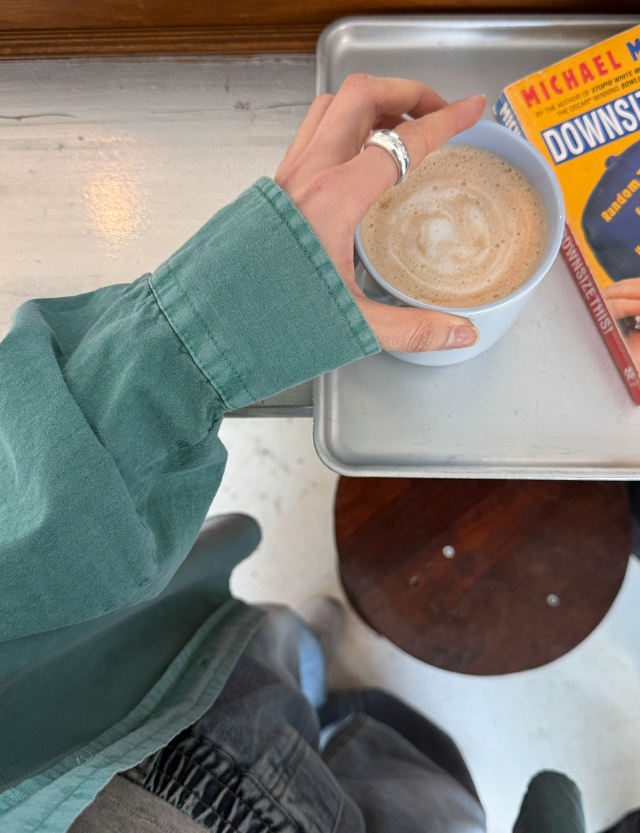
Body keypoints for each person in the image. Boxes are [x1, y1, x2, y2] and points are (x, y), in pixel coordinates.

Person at [0, 73, 634, 832]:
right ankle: (317, 678)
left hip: (113, 696)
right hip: (158, 757)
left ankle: (302, 657)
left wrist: (204, 325)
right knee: (427, 786)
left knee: (253, 650)